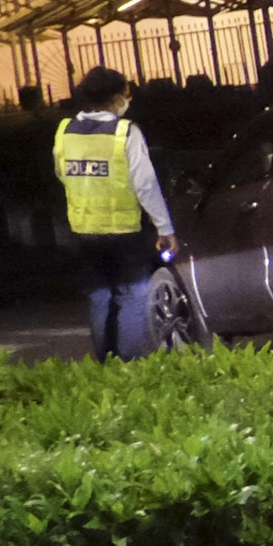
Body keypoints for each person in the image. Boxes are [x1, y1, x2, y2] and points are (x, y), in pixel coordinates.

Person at [50, 66, 173, 361]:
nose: (128, 101)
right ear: (117, 97)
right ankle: (129, 362)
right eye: (127, 95)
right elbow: (145, 184)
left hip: (83, 230)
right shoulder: (125, 132)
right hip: (123, 231)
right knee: (133, 295)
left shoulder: (65, 130)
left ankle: (104, 360)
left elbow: (61, 172)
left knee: (99, 296)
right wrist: (164, 228)